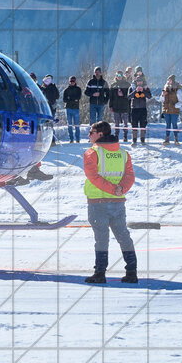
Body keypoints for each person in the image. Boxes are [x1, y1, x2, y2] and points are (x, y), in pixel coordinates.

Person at [82, 121, 138, 284]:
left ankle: (100, 273)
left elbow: (93, 177)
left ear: (100, 134)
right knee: (123, 236)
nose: (89, 134)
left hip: (98, 202)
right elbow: (130, 176)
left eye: (91, 131)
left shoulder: (92, 153)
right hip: (118, 203)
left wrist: (113, 189)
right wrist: (120, 189)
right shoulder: (123, 153)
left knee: (101, 238)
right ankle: (132, 272)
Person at [109, 70, 131, 142]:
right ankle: (116, 136)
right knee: (116, 123)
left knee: (125, 123)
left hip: (124, 106)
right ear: (116, 76)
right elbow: (111, 97)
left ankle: (125, 136)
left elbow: (130, 96)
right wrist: (110, 106)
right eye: (118, 75)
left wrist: (123, 95)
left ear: (122, 76)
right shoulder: (113, 85)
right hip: (116, 107)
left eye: (120, 75)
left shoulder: (127, 84)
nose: (119, 77)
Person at [160, 74, 182, 145]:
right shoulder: (165, 89)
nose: (168, 82)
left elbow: (181, 101)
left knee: (174, 124)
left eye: (170, 80)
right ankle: (167, 139)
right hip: (166, 110)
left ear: (173, 81)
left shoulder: (177, 90)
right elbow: (161, 100)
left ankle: (176, 139)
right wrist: (163, 95)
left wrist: (175, 106)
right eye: (168, 80)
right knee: (168, 125)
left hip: (174, 111)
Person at [129, 77, 151, 145]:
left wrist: (143, 90)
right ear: (136, 82)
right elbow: (128, 97)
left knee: (143, 125)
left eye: (141, 81)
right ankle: (134, 140)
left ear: (142, 82)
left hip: (143, 109)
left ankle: (142, 140)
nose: (139, 83)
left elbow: (149, 96)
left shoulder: (146, 88)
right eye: (138, 81)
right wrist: (135, 91)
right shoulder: (131, 88)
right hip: (134, 109)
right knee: (134, 124)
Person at [63, 76, 82, 143]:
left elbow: (78, 98)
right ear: (69, 81)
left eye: (73, 81)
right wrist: (73, 100)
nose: (72, 82)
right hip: (68, 109)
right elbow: (64, 100)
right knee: (69, 125)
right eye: (71, 81)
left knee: (77, 125)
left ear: (75, 81)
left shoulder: (78, 89)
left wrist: (70, 99)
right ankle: (71, 139)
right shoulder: (66, 90)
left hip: (76, 109)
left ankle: (77, 139)